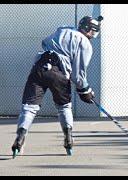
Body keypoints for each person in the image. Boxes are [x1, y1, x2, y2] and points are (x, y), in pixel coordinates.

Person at [11, 15, 104, 157]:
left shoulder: (63, 30)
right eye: (93, 31)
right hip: (59, 73)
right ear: (91, 30)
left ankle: (20, 137)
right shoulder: (85, 43)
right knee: (64, 107)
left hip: (39, 67)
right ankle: (68, 138)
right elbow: (78, 75)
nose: (93, 34)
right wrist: (86, 91)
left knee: (29, 107)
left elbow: (45, 42)